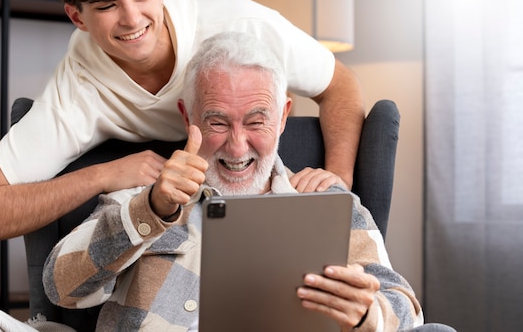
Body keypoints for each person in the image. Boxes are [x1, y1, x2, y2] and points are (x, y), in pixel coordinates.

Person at [0, 0, 365, 246]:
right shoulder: (78, 86)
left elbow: (339, 85)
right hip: (160, 226)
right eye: (107, 5)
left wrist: (338, 180)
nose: (132, 19)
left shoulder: (240, 23)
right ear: (77, 17)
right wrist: (103, 174)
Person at [42, 31, 423, 332]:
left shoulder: (327, 203)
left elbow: (407, 311)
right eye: (218, 122)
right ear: (186, 115)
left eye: (256, 122)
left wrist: (366, 315)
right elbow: (60, 287)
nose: (237, 146)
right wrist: (151, 209)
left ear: (283, 116)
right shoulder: (143, 197)